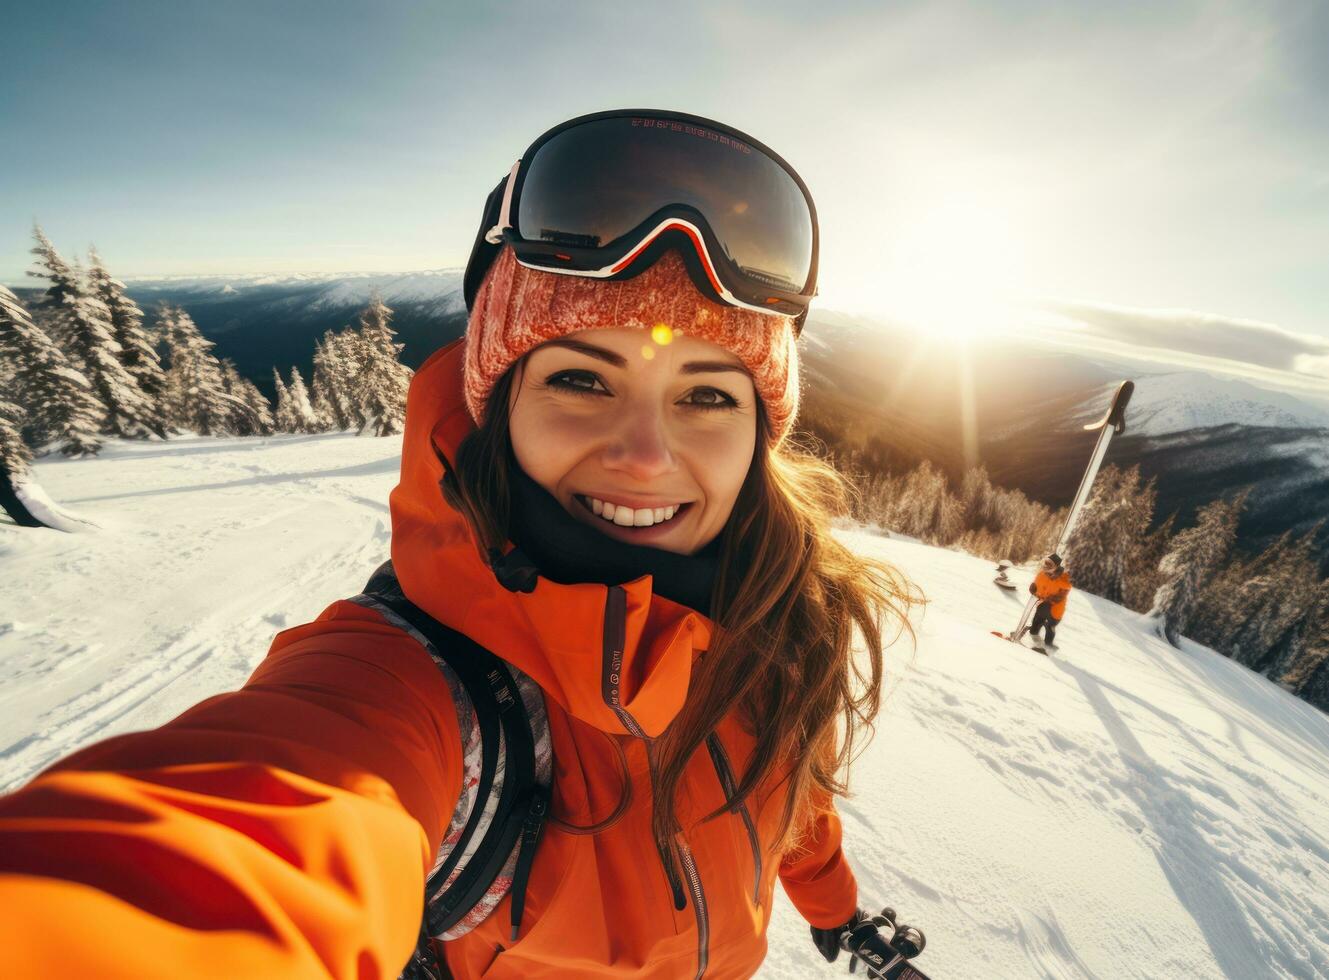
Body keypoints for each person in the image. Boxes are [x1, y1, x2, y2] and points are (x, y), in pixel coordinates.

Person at [0, 109, 919, 979]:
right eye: (581, 381)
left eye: (710, 394)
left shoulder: (780, 616)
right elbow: (235, 842)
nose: (645, 456)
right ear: (499, 409)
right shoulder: (419, 685)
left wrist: (832, 908)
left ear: (762, 434)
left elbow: (794, 799)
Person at [1028, 553, 1073, 645]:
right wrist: (1034, 589)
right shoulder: (1041, 574)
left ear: (1056, 567)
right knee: (1035, 626)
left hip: (1055, 610)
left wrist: (1052, 598)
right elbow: (1037, 587)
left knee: (1049, 626)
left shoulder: (1063, 579)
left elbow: (1064, 591)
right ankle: (1034, 641)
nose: (1046, 566)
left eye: (1050, 564)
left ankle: (1048, 645)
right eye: (1046, 563)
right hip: (1043, 605)